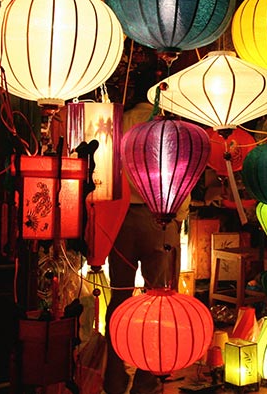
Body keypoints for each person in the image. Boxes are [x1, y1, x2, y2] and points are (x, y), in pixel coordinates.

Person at [102, 69, 190, 394]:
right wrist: (178, 216)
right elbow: (183, 173)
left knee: (119, 299)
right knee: (159, 301)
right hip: (160, 219)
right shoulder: (170, 128)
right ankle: (147, 379)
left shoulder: (116, 122)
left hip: (121, 218)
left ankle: (113, 378)